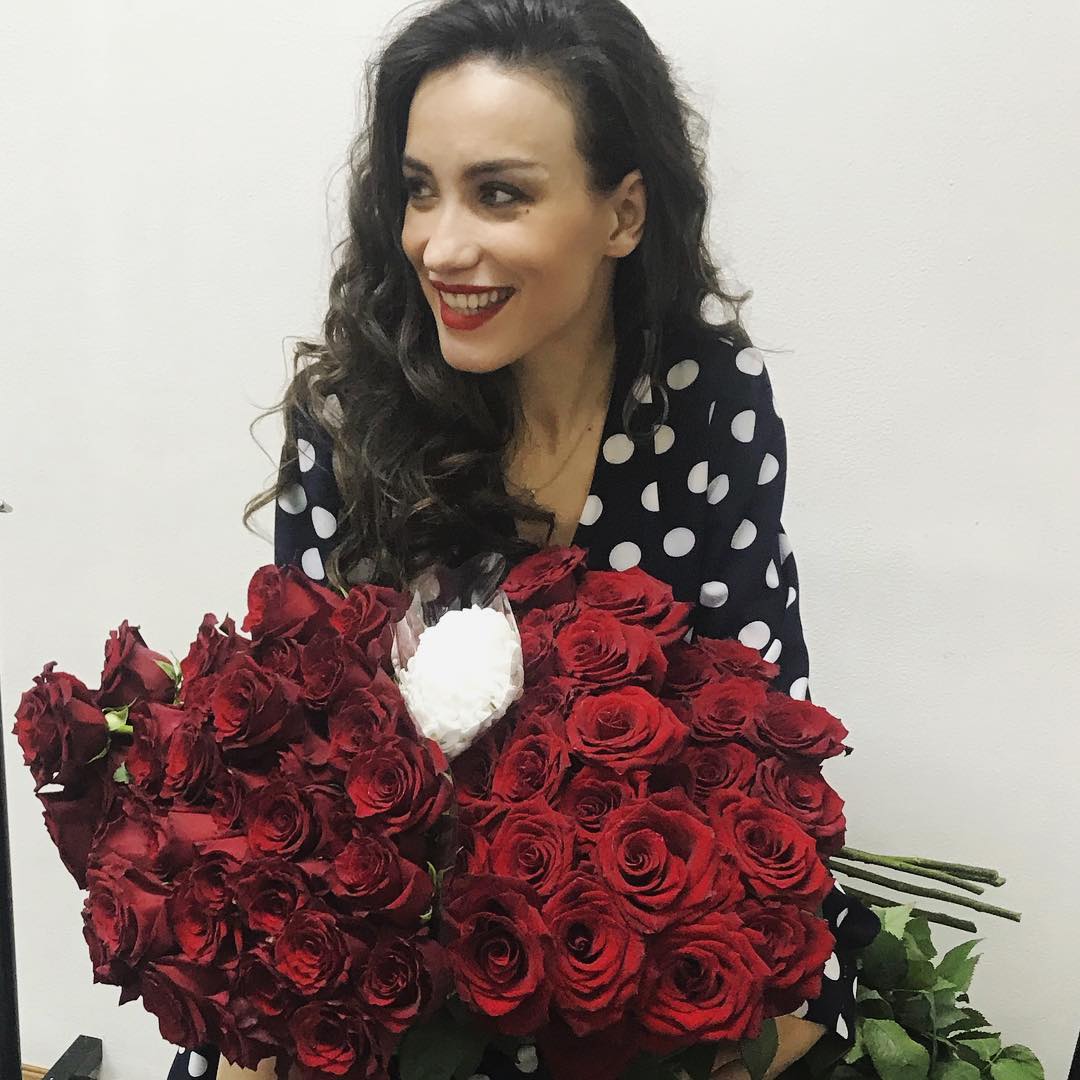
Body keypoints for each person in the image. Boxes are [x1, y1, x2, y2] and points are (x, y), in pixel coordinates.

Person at [167, 1, 880, 1077]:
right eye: (419, 190)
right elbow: (300, 757)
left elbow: (759, 725)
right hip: (397, 959)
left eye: (499, 193)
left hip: (619, 958)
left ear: (622, 213)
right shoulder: (353, 416)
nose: (439, 245)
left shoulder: (705, 399)